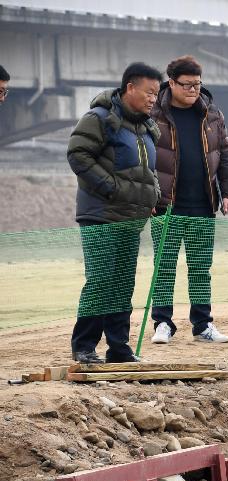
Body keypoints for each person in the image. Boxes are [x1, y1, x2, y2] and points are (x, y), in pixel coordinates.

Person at [67, 62, 162, 363]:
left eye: (156, 94)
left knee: (123, 282)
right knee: (101, 280)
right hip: (100, 215)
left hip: (130, 219)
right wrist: (110, 187)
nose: (152, 99)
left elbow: (148, 170)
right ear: (130, 87)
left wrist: (154, 193)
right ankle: (84, 346)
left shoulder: (146, 127)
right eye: (148, 92)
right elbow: (77, 154)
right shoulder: (99, 118)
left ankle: (119, 349)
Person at [148, 55, 228, 345]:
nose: (193, 90)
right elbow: (142, 159)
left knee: (201, 267)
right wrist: (146, 195)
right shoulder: (153, 115)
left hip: (202, 202)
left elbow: (224, 154)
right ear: (171, 83)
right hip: (165, 204)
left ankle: (202, 325)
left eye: (198, 84)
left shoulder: (212, 114)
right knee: (164, 266)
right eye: (187, 85)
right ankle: (162, 323)